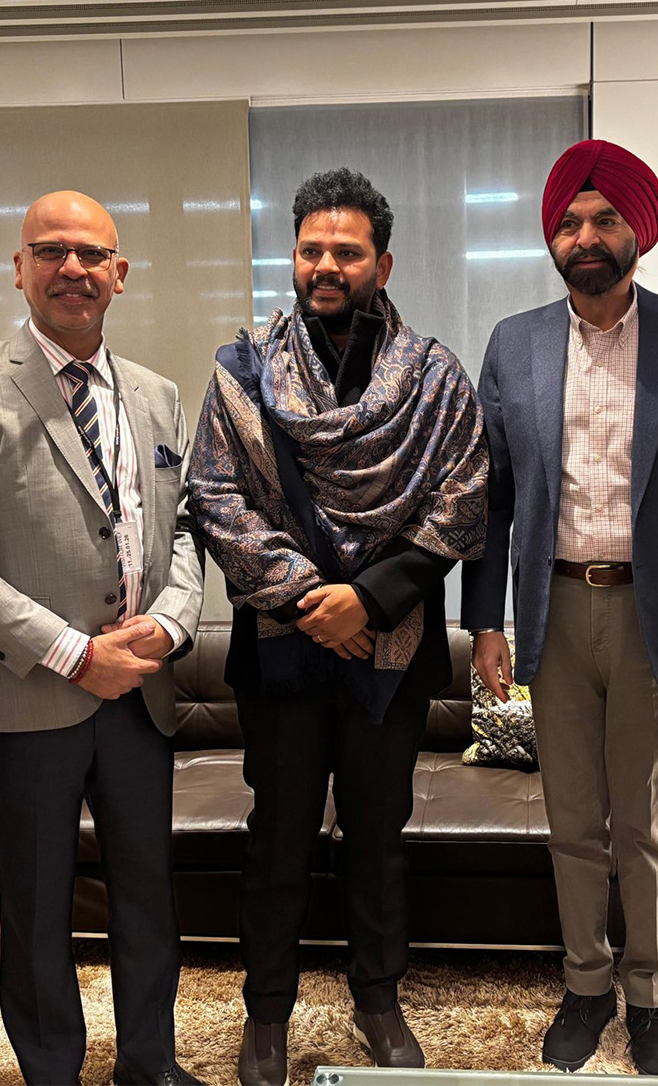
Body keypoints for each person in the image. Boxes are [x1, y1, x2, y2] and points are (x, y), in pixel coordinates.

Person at [462, 139, 658, 1077]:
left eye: (603, 220)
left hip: (656, 619)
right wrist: (486, 621)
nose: (584, 237)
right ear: (552, 237)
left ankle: (651, 996)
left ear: (639, 231)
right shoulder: (514, 342)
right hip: (551, 607)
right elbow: (491, 498)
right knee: (572, 819)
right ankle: (585, 985)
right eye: (568, 222)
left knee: (647, 822)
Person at [188, 167, 487, 1086]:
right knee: (275, 840)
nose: (326, 265)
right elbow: (214, 495)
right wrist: (318, 604)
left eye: (346, 251)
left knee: (378, 836)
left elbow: (464, 497)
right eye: (311, 248)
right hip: (282, 650)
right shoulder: (242, 369)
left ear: (382, 263)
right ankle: (266, 1015)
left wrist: (371, 599)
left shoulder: (434, 378)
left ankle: (378, 999)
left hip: (389, 650)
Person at [0, 191, 204, 1086]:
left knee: (147, 897)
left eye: (91, 254)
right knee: (37, 909)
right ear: (19, 267)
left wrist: (169, 621)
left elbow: (186, 530)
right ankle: (53, 1073)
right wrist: (79, 654)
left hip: (140, 697)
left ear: (120, 274)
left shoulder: (155, 394)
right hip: (28, 695)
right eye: (51, 251)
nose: (71, 268)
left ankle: (149, 1064)